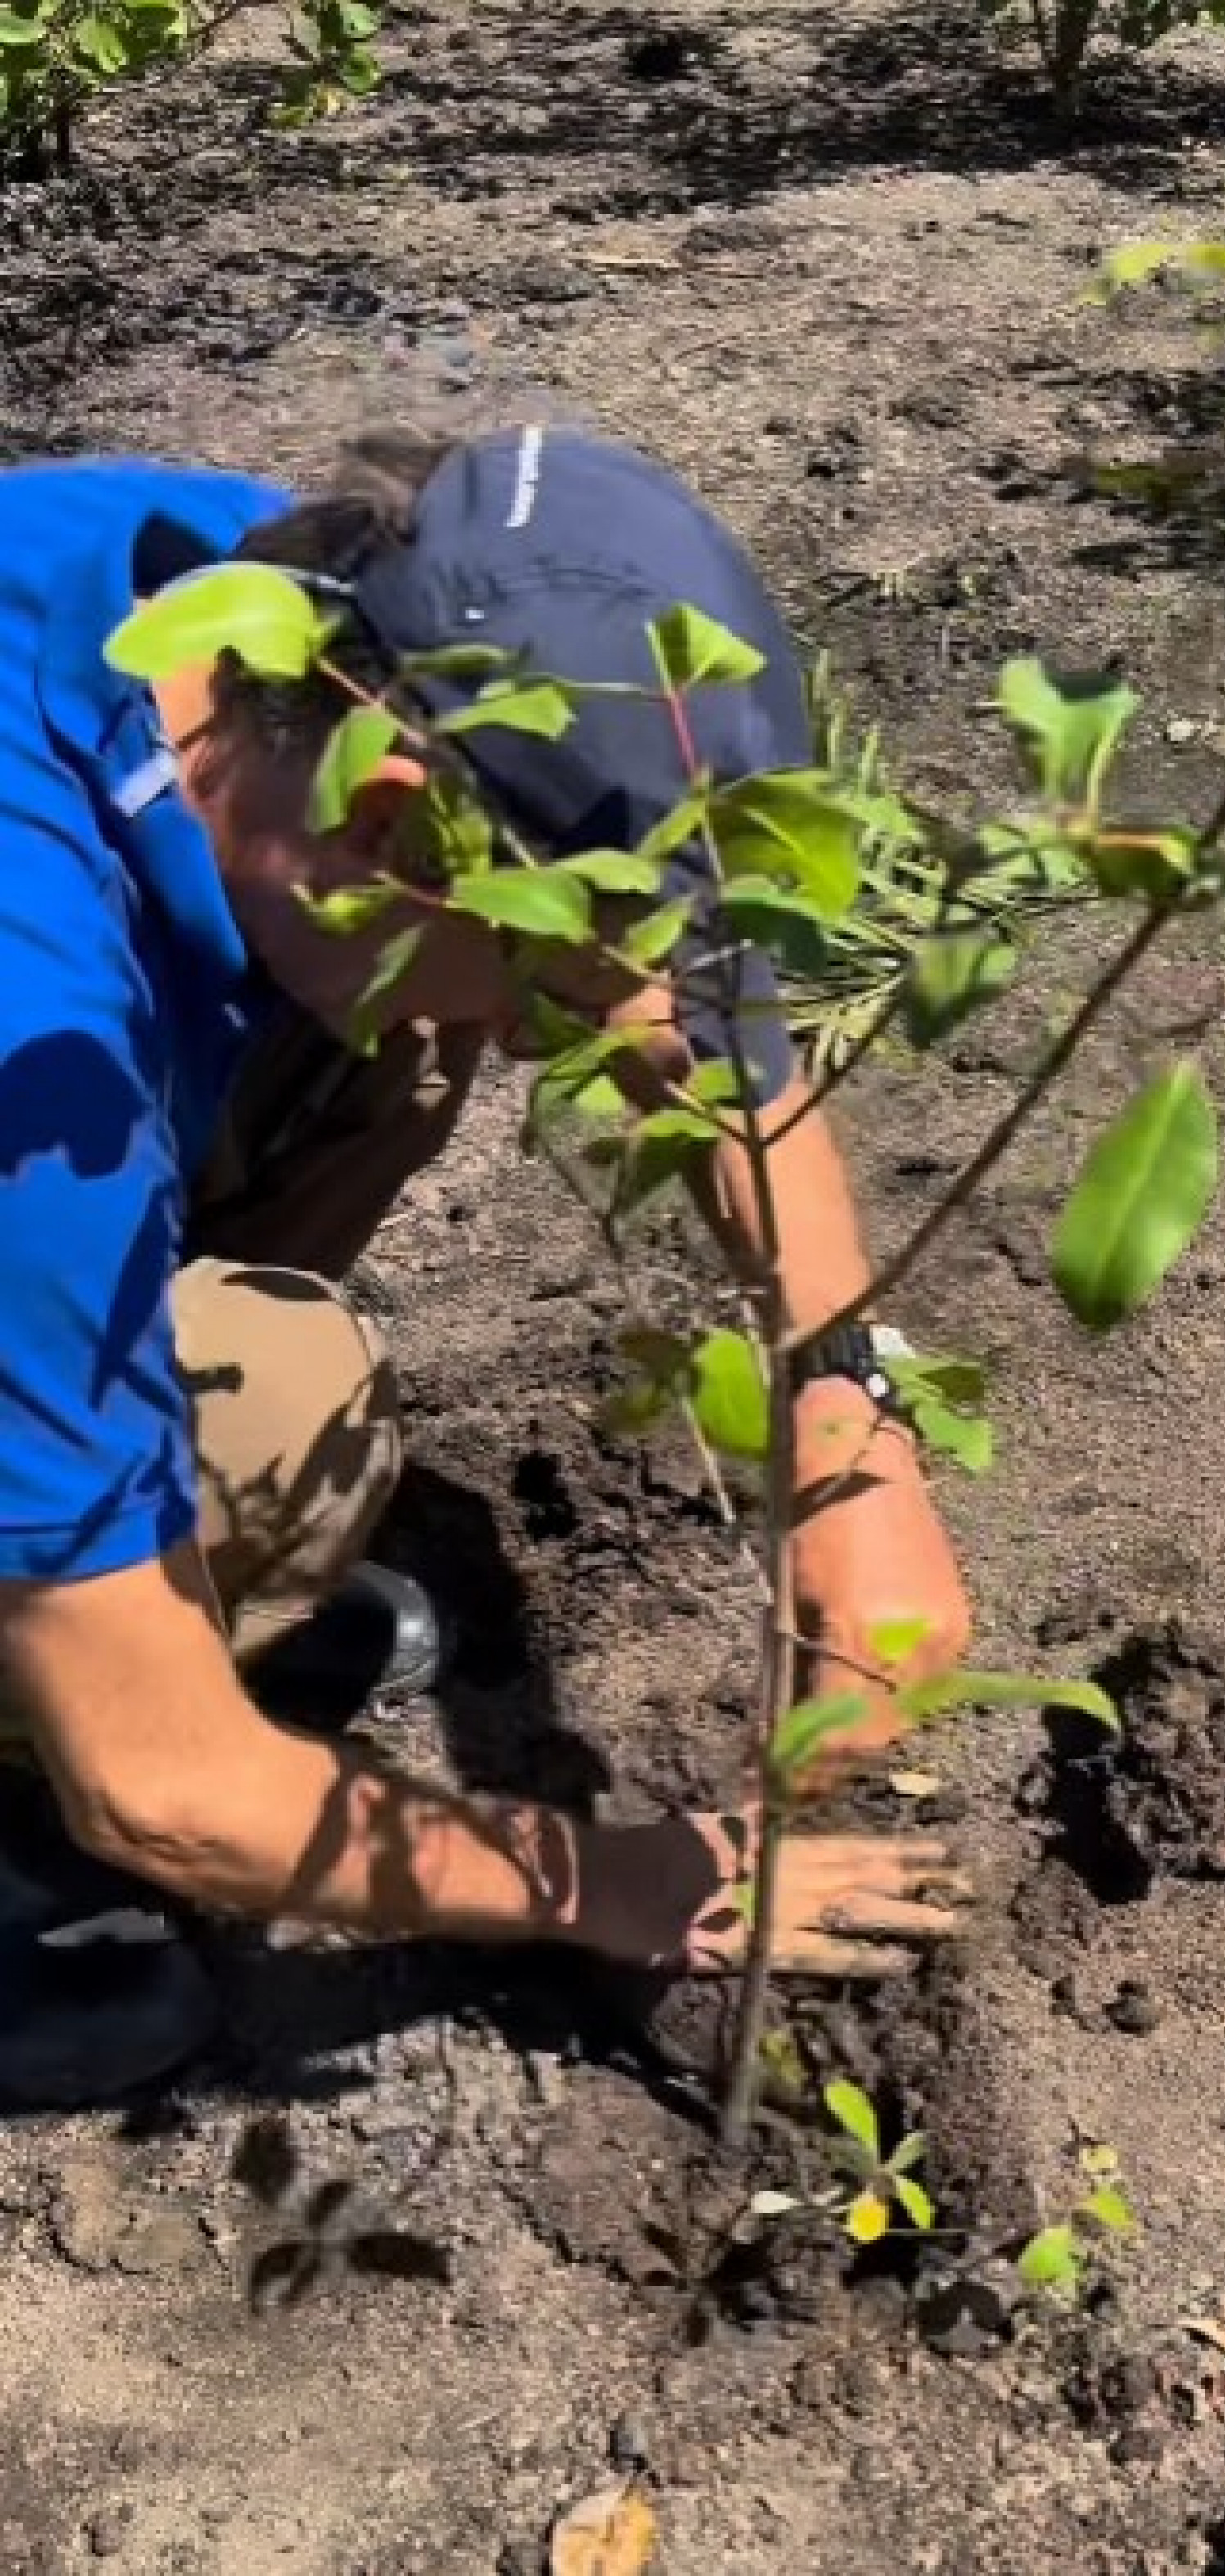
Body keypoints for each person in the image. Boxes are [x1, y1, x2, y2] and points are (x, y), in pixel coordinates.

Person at [0, 421, 972, 2110]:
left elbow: (688, 1016)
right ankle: (53, 1686)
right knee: (273, 1413)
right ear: (392, 814)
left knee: (406, 1037)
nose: (587, 1031)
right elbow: (171, 1789)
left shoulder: (272, 608)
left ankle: (92, 1567)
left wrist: (850, 1422)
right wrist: (625, 1881)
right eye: (564, 976)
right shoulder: (24, 1049)